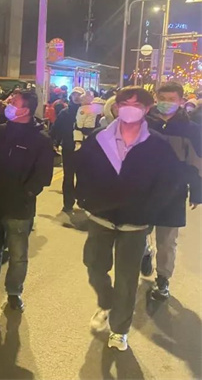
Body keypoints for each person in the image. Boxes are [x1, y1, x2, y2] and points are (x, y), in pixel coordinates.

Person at [76, 86, 184, 352]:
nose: (129, 109)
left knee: (126, 278)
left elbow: (169, 182)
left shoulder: (157, 144)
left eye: (137, 105)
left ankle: (119, 329)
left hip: (135, 224)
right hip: (101, 217)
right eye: (125, 104)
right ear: (116, 107)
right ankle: (107, 301)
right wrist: (86, 200)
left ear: (147, 109)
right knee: (94, 266)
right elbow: (83, 170)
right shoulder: (99, 138)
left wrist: (149, 211)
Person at [0, 90, 54, 311]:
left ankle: (14, 293)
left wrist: (27, 193)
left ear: (25, 110)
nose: (8, 104)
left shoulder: (40, 139)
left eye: (14, 102)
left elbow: (43, 175)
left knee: (18, 254)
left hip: (19, 207)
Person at [140, 81, 202, 300]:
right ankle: (144, 252)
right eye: (162, 99)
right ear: (156, 99)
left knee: (167, 241)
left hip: (173, 192)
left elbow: (198, 162)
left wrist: (197, 191)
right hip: (143, 191)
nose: (166, 103)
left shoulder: (191, 129)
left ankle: (163, 280)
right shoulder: (144, 123)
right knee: (138, 232)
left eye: (171, 99)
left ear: (181, 101)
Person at [50, 87, 85, 212]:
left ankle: (81, 199)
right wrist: (54, 142)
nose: (76, 97)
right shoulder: (65, 113)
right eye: (74, 94)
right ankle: (68, 203)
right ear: (71, 96)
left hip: (84, 150)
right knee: (68, 176)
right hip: (68, 148)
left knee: (83, 176)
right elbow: (56, 129)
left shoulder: (88, 112)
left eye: (79, 95)